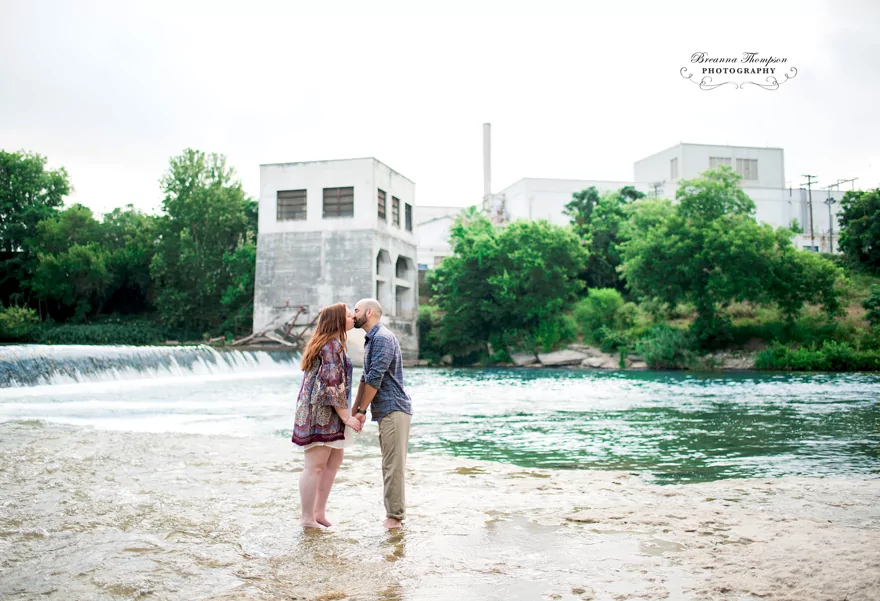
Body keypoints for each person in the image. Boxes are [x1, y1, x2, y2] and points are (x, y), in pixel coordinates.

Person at [292, 302, 362, 529]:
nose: (353, 317)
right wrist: (347, 418)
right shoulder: (330, 346)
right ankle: (307, 517)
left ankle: (319, 512)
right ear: (337, 321)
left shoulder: (334, 344)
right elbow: (330, 387)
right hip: (320, 413)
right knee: (315, 465)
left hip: (329, 413)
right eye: (349, 315)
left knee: (334, 460)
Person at [351, 298, 413, 529]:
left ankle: (394, 517)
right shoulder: (371, 340)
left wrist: (362, 411)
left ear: (369, 313)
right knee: (389, 463)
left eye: (356, 310)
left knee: (393, 465)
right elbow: (365, 378)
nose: (353, 314)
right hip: (386, 410)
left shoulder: (383, 338)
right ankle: (393, 514)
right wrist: (354, 412)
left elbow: (374, 379)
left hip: (394, 408)